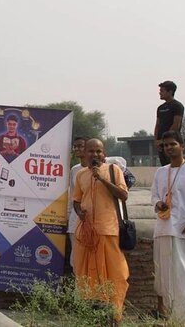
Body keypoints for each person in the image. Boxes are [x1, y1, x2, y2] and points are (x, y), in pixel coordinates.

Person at [73, 138, 129, 322]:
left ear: (104, 153)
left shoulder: (114, 171)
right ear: (85, 153)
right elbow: (76, 201)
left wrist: (102, 179)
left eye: (99, 151)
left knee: (115, 274)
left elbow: (123, 195)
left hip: (108, 230)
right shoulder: (80, 174)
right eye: (91, 151)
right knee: (86, 275)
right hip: (86, 234)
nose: (95, 155)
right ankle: (92, 316)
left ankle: (114, 316)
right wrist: (80, 212)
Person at [151, 130, 185, 321]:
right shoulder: (161, 172)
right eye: (165, 145)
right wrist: (158, 204)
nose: (168, 148)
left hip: (183, 230)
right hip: (163, 229)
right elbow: (154, 196)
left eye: (172, 144)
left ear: (182, 146)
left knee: (183, 276)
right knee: (164, 276)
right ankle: (168, 318)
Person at [67, 137, 87, 270]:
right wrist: (69, 214)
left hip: (92, 217)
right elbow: (72, 195)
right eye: (75, 146)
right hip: (76, 217)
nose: (77, 149)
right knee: (76, 257)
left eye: (80, 146)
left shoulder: (101, 169)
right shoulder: (75, 169)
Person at [154, 80, 185, 166]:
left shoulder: (177, 106)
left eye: (162, 91)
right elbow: (157, 125)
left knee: (174, 165)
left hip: (171, 141)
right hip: (161, 144)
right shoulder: (160, 108)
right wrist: (156, 140)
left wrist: (165, 140)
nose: (160, 93)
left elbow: (176, 124)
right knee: (165, 166)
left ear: (170, 91)